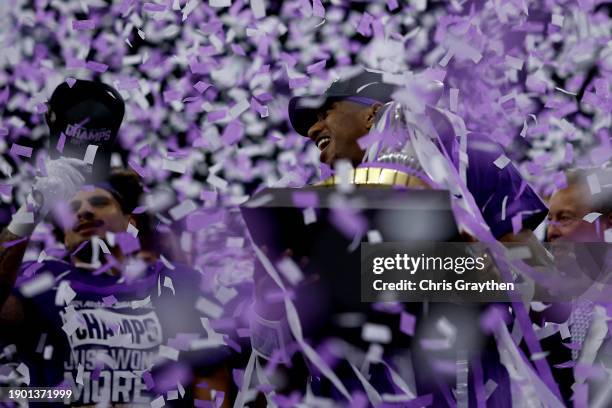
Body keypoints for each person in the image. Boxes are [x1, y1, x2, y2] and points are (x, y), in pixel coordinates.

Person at [277, 69, 556, 405]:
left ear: (373, 111)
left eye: (327, 112)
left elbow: (542, 286)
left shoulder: (466, 155)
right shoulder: (321, 211)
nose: (314, 129)